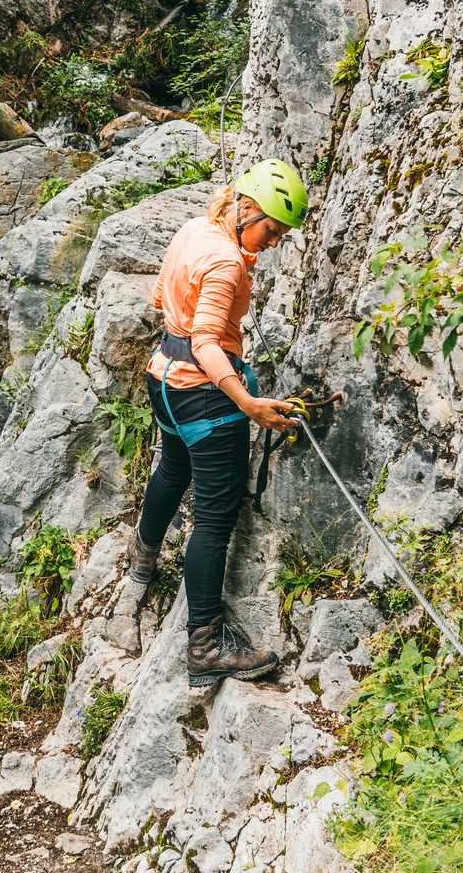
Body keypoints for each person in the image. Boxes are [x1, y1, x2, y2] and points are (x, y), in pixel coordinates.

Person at [126, 158, 307, 687]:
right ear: (247, 209)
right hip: (205, 398)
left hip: (164, 379)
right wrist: (249, 404)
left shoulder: (193, 231)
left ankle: (143, 555)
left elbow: (160, 297)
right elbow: (206, 342)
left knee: (173, 468)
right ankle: (204, 645)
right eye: (271, 230)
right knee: (214, 517)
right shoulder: (227, 262)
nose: (273, 242)